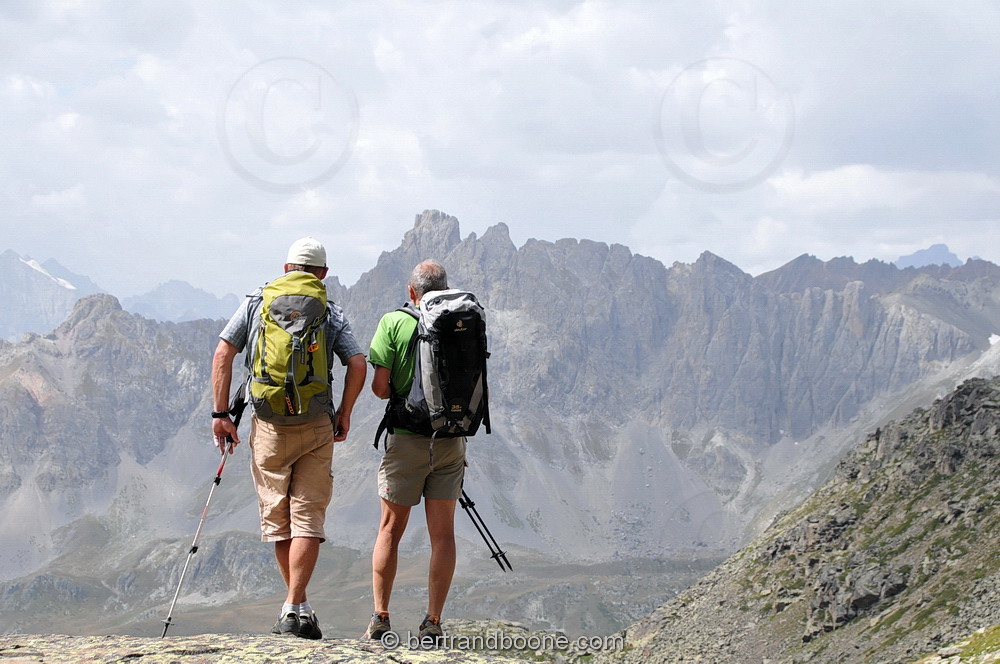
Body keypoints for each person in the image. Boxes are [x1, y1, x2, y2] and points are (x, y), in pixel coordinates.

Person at [211, 237, 366, 640]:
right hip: (316, 426)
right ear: (323, 274)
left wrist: (221, 413)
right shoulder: (330, 312)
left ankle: (294, 606)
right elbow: (356, 362)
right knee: (307, 517)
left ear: (285, 268)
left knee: (279, 519)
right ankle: (297, 606)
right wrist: (345, 412)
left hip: (268, 427)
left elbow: (223, 354)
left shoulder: (257, 302)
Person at [363, 259, 466, 643]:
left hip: (407, 439)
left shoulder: (395, 322)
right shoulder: (463, 321)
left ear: (412, 292)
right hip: (451, 441)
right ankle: (433, 623)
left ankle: (380, 618)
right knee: (443, 535)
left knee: (390, 529)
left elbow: (379, 387)